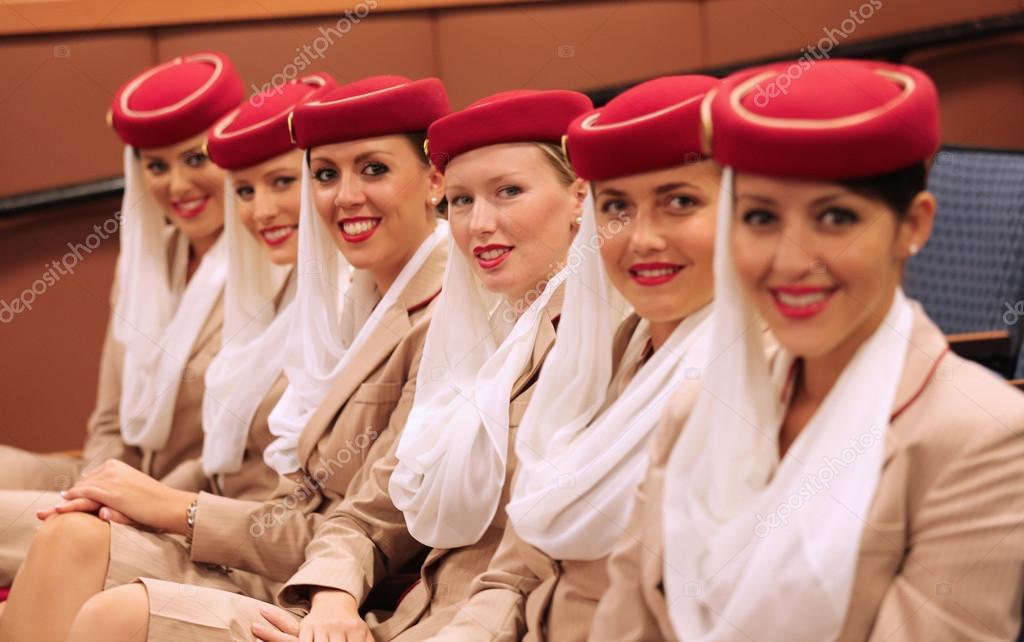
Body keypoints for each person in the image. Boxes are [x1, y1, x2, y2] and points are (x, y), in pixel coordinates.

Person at [64, 88, 592, 642]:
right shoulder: (457, 319)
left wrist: (179, 510)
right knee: (79, 551)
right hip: (366, 603)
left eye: (508, 191)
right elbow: (374, 510)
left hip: (430, 616)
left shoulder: (559, 337)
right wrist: (334, 597)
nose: (479, 223)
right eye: (463, 201)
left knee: (97, 582)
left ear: (580, 195)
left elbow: (521, 573)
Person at [4, 75, 452, 642]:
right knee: (71, 532)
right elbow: (144, 433)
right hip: (271, 545)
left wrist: (175, 507)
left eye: (374, 169)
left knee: (76, 549)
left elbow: (363, 524)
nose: (344, 196)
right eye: (327, 175)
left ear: (435, 178)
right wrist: (126, 495)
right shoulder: (355, 302)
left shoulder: (437, 311)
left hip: (326, 583)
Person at [590, 59, 1024, 642]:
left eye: (836, 217)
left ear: (913, 226)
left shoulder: (982, 440)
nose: (791, 262)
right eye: (761, 217)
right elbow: (626, 622)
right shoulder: (696, 408)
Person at [429, 74, 722, 642]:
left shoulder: (756, 382)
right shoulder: (618, 349)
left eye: (679, 202)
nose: (642, 239)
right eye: (619, 207)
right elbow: (522, 563)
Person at [0, 50, 243, 587]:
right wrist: (95, 484)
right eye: (156, 166)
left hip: (189, 504)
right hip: (113, 479)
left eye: (195, 158)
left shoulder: (273, 264)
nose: (176, 185)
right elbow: (109, 423)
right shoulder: (146, 263)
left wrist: (131, 497)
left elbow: (245, 451)